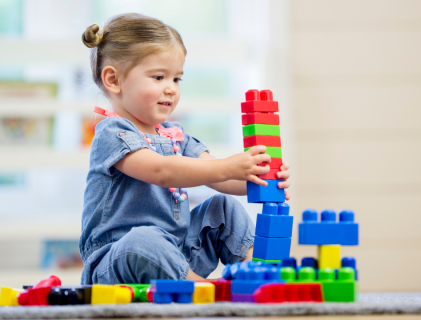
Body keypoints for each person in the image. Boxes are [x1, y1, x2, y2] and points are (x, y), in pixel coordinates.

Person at [79, 13, 290, 285]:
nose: (171, 89)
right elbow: (162, 171)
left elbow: (219, 176)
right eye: (158, 77)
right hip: (118, 260)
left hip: (176, 250)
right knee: (145, 239)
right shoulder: (113, 133)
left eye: (177, 79)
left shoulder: (174, 135)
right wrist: (229, 165)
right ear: (113, 80)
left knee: (223, 207)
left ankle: (259, 274)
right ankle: (203, 290)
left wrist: (257, 177)